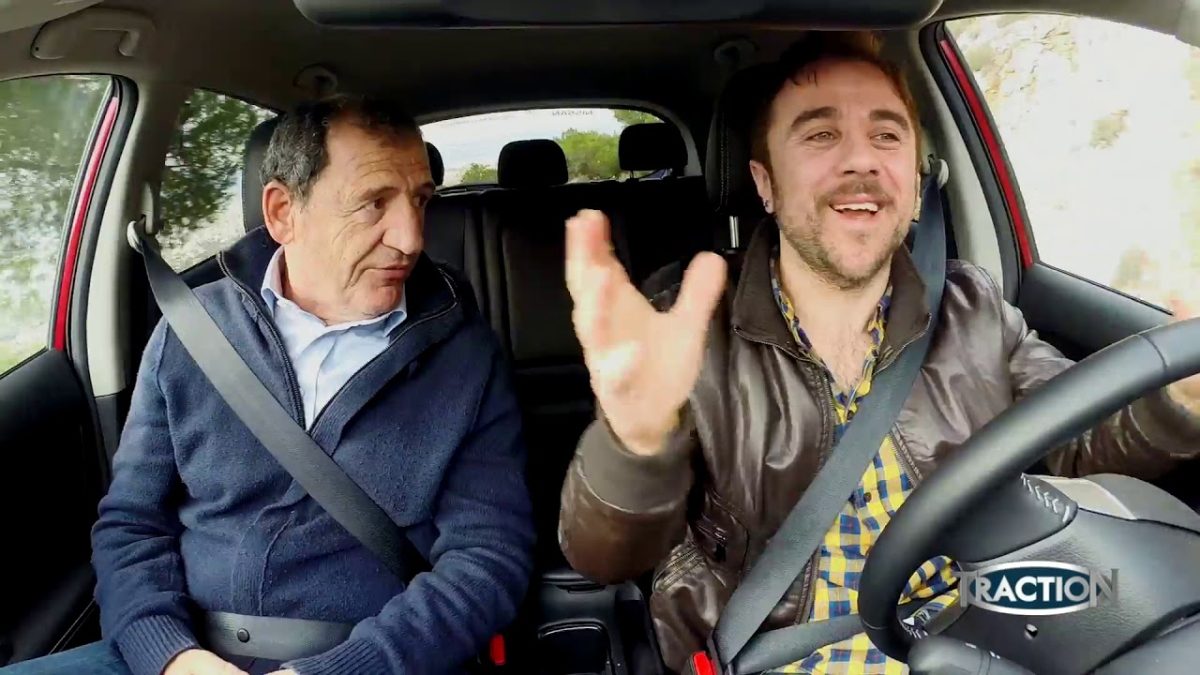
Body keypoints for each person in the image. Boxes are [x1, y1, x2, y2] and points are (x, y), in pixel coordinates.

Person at [559, 32, 1200, 674]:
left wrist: (1183, 398)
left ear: (915, 183)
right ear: (765, 183)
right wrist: (636, 447)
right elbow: (605, 559)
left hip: (972, 645)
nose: (861, 159)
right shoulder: (688, 327)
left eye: (887, 135)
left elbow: (1080, 440)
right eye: (820, 135)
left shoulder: (972, 307)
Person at [4, 96, 534, 675]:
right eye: (373, 203)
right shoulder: (192, 332)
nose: (411, 238)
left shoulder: (464, 356)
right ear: (283, 212)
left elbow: (487, 559)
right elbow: (132, 524)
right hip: (177, 652)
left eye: (420, 201)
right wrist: (170, 655)